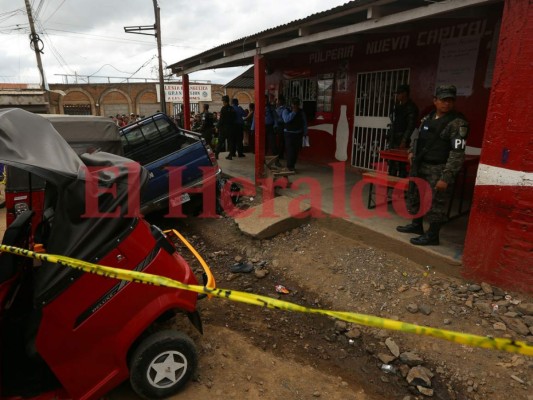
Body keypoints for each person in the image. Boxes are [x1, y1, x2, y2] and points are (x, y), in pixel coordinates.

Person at [396, 84, 469, 246]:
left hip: (439, 168)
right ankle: (416, 226)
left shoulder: (457, 123)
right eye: (443, 100)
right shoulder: (427, 118)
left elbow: (457, 153)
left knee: (436, 202)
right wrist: (411, 151)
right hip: (421, 165)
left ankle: (432, 235)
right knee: (417, 196)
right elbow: (417, 137)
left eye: (450, 100)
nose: (446, 104)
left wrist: (446, 177)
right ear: (435, 101)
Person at [387, 84, 418, 177]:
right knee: (391, 163)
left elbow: (410, 126)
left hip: (402, 139)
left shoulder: (411, 107)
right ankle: (391, 184)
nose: (397, 96)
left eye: (398, 94)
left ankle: (400, 184)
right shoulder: (398, 106)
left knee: (401, 164)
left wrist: (404, 140)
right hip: (394, 137)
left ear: (404, 94)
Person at [281, 97, 307, 173]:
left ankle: (292, 165)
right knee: (290, 150)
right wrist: (293, 113)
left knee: (295, 151)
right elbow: (286, 120)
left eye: (297, 104)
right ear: (291, 104)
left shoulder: (301, 112)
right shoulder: (286, 110)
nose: (295, 105)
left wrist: (305, 133)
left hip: (298, 134)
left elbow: (304, 123)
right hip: (288, 134)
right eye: (294, 104)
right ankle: (289, 166)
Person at [215, 95, 236, 160]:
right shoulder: (232, 108)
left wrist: (217, 127)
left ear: (224, 101)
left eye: (223, 101)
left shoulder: (223, 108)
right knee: (230, 142)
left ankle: (216, 155)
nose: (223, 102)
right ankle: (230, 155)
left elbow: (221, 119)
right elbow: (234, 118)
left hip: (223, 129)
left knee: (220, 142)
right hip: (231, 128)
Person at [275, 95, 290, 162]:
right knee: (281, 141)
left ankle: (280, 154)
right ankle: (280, 154)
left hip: (282, 125)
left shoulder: (284, 109)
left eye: (279, 100)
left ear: (281, 101)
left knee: (281, 141)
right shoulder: (279, 108)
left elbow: (279, 117)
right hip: (279, 125)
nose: (278, 102)